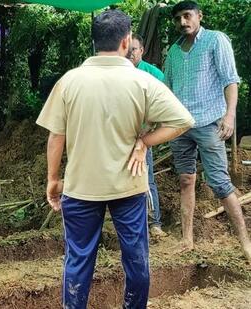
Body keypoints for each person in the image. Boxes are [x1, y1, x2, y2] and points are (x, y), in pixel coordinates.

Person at [36, 10, 194, 308]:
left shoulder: (70, 81)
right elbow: (183, 120)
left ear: (95, 41)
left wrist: (53, 179)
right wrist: (144, 142)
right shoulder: (141, 82)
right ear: (126, 41)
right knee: (136, 260)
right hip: (128, 187)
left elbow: (56, 137)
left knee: (78, 260)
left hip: (81, 188)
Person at [164, 1, 251, 260]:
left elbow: (230, 80)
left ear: (199, 16)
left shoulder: (215, 40)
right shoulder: (174, 53)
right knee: (185, 180)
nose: (183, 22)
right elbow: (166, 90)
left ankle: (245, 243)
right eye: (178, 17)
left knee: (220, 183)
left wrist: (230, 115)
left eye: (187, 16)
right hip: (180, 126)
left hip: (210, 122)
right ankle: (187, 239)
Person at [129, 34, 168, 237]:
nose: (130, 54)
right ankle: (130, 225)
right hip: (120, 136)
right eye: (128, 50)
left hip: (143, 137)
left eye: (134, 49)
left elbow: (165, 103)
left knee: (146, 178)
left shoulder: (153, 74)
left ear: (142, 50)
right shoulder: (119, 73)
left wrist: (151, 127)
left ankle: (154, 223)